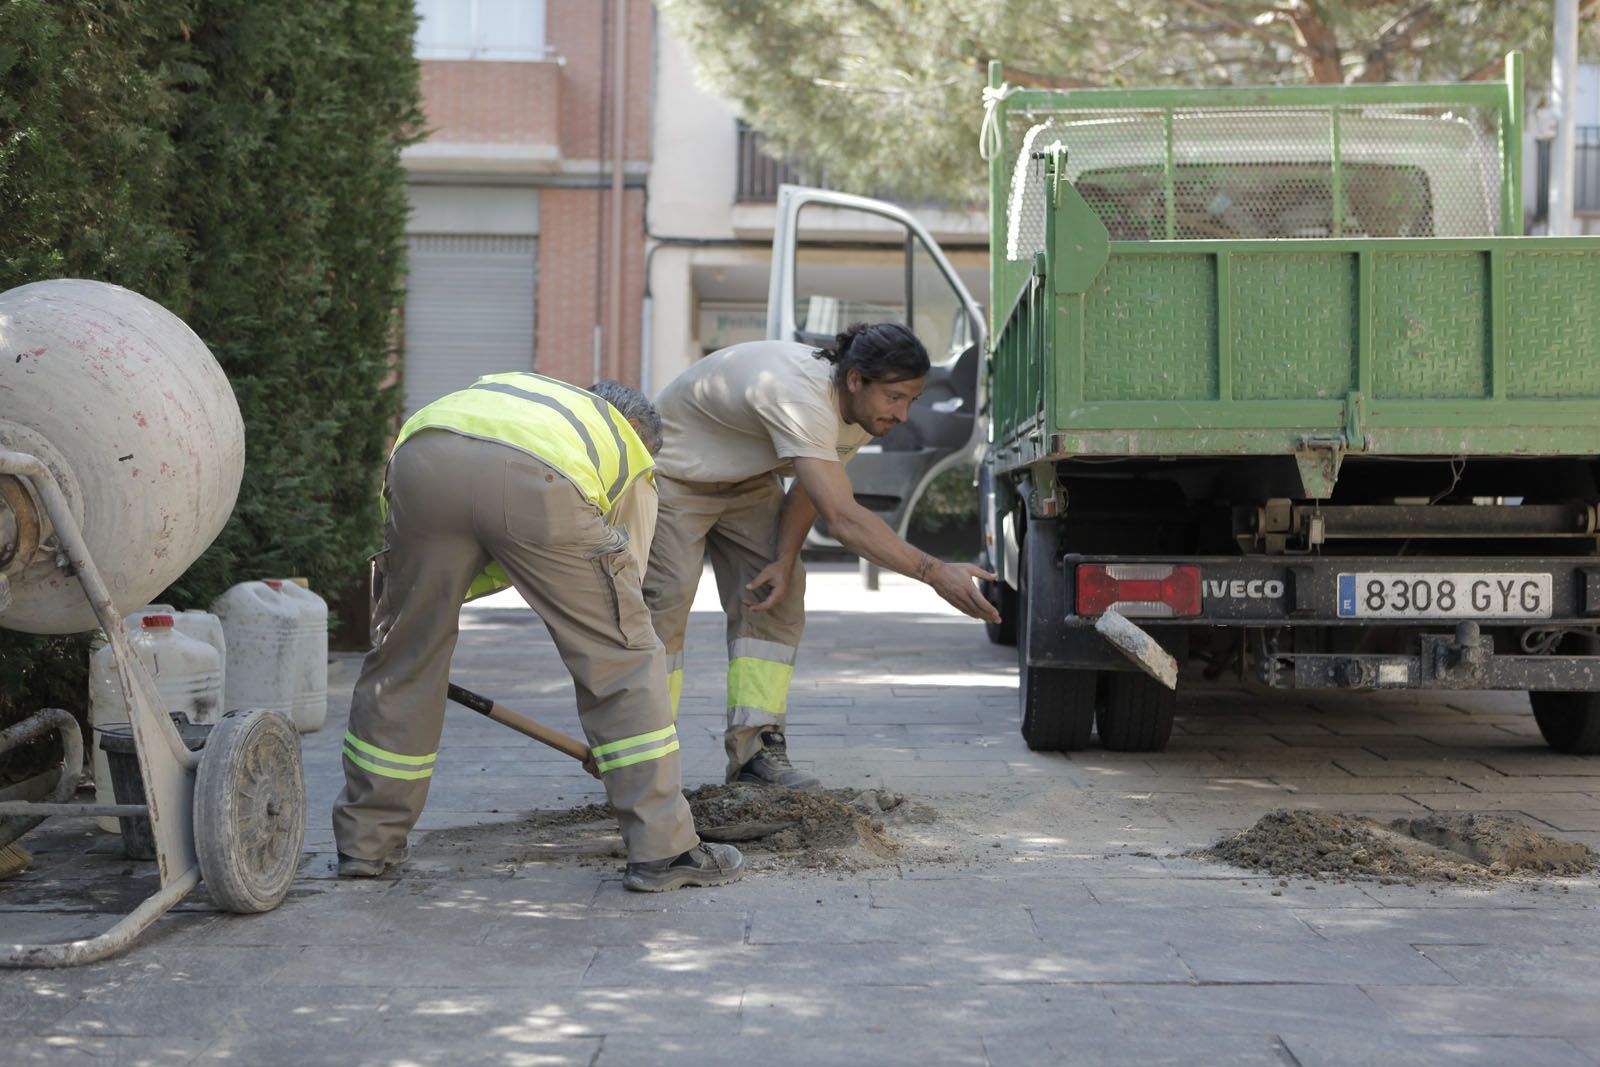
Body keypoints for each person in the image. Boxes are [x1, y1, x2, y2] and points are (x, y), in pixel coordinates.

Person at [332, 372, 744, 893]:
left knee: (404, 661)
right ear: (637, 428)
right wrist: (622, 742)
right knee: (622, 656)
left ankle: (367, 844)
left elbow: (429, 549)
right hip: (538, 478)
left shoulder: (530, 397)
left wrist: (417, 620)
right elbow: (629, 592)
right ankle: (665, 849)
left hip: (420, 462)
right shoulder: (627, 447)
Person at [645, 323, 1000, 789]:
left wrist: (783, 559)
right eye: (895, 397)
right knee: (667, 601)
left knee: (779, 596)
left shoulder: (862, 411)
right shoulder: (801, 397)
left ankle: (756, 752)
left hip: (747, 479)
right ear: (855, 379)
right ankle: (646, 757)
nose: (903, 414)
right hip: (675, 474)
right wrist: (934, 572)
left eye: (912, 400)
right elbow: (842, 518)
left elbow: (810, 491)